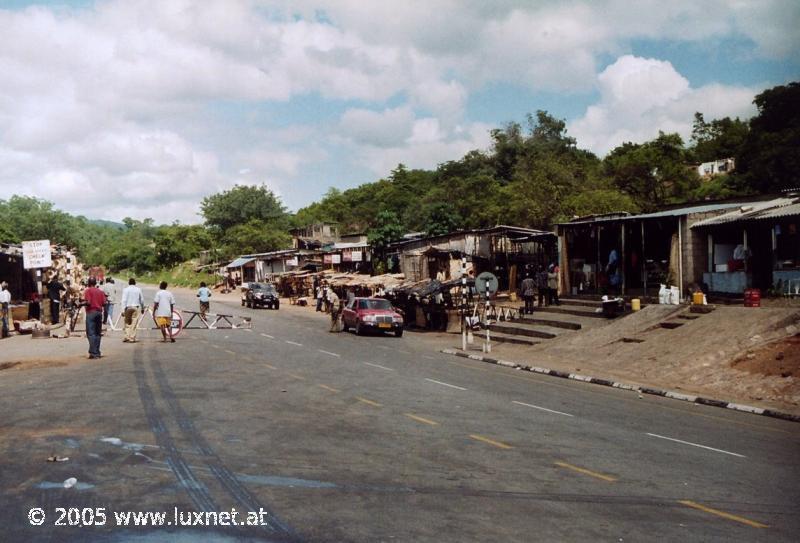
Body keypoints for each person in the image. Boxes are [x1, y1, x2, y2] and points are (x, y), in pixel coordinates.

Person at [82, 277, 106, 359]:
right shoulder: (100, 291)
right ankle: (97, 351)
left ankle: (93, 352)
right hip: (99, 313)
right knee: (97, 333)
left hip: (91, 312)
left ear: (88, 283)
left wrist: (81, 303)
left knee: (91, 333)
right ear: (95, 283)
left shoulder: (88, 291)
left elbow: (88, 302)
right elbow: (104, 303)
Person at [121, 278, 144, 343]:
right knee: (134, 323)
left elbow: (124, 300)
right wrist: (142, 308)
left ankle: (127, 336)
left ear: (129, 283)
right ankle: (132, 337)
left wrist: (123, 310)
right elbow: (141, 300)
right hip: (135, 307)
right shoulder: (138, 289)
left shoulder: (125, 290)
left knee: (127, 322)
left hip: (128, 308)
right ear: (135, 283)